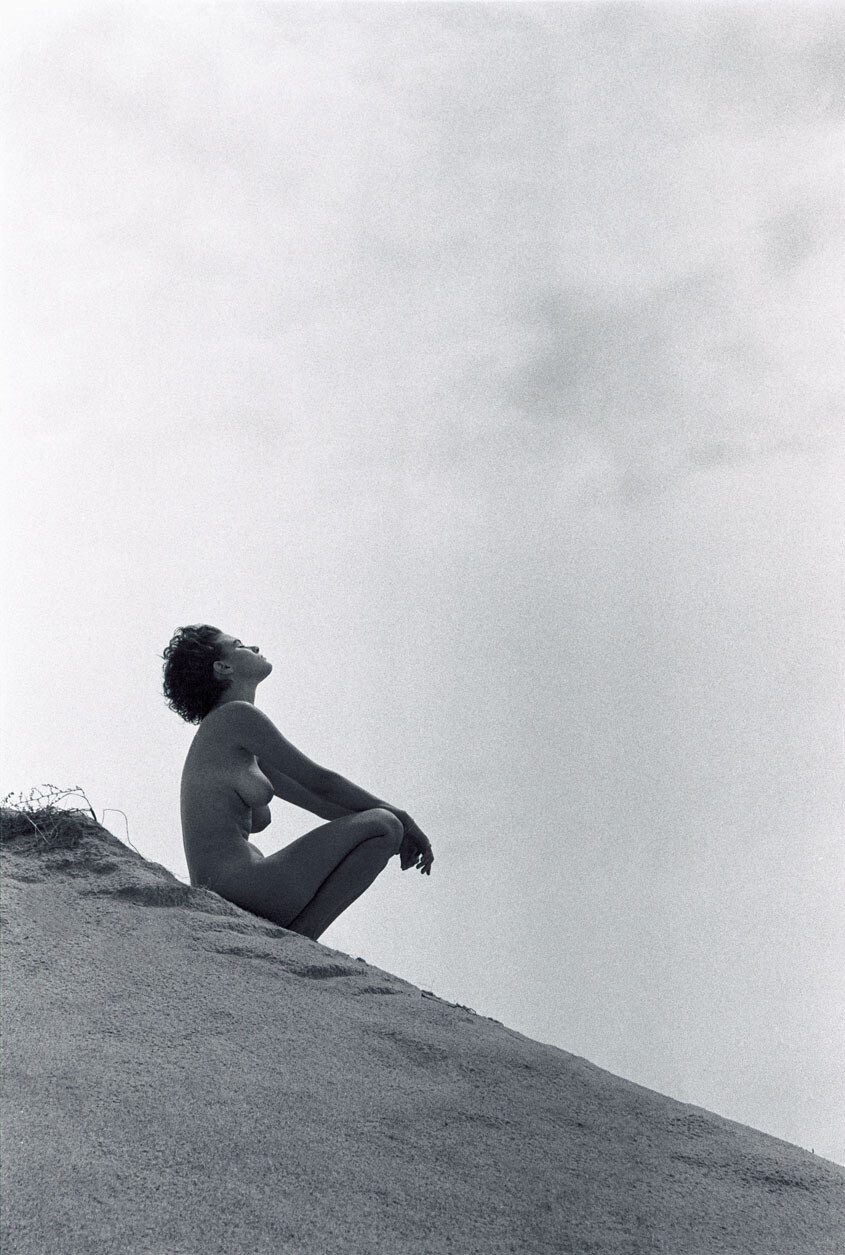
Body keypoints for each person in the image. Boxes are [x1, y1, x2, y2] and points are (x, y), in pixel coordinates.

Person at [161, 625, 433, 940]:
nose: (254, 646)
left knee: (383, 827)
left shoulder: (236, 739)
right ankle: (302, 937)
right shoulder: (235, 717)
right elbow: (322, 782)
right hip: (240, 889)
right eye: (239, 645)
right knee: (385, 824)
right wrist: (404, 820)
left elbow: (322, 803)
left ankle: (297, 942)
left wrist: (399, 837)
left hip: (241, 888)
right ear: (223, 667)